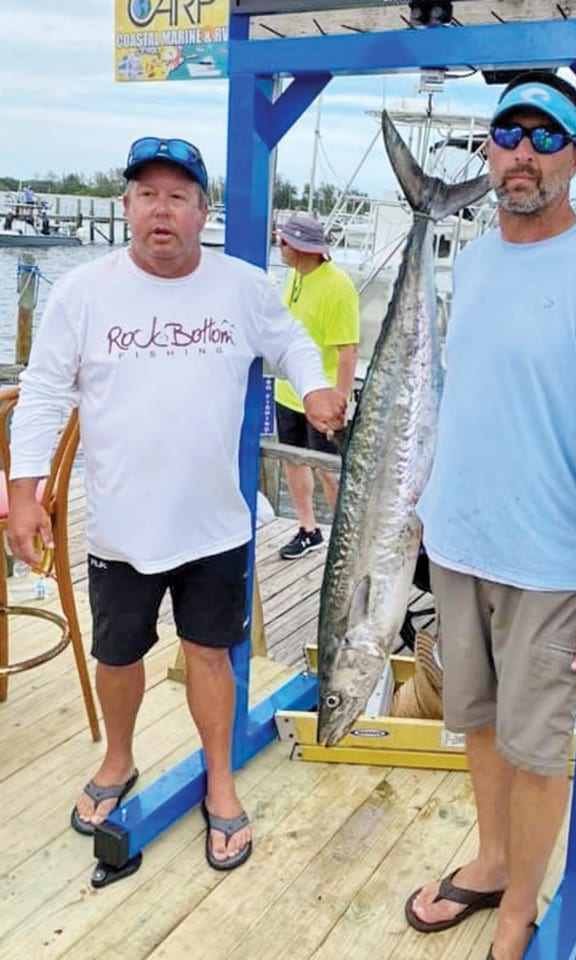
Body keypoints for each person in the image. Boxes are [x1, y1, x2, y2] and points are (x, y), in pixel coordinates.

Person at [6, 136, 345, 873]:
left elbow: (290, 344)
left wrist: (317, 387)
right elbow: (40, 396)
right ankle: (118, 759)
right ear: (126, 206)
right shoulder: (84, 293)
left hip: (216, 523)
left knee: (210, 656)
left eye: (179, 196)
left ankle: (220, 780)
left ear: (203, 211)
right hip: (123, 527)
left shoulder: (243, 286)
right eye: (148, 195)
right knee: (118, 654)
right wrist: (23, 493)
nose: (162, 210)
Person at [404, 71, 576, 960]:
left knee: (540, 750)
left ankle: (521, 907)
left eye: (547, 138)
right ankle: (492, 859)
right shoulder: (470, 263)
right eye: (509, 135)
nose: (524, 153)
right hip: (460, 549)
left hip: (554, 570)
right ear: (488, 152)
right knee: (475, 720)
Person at [273, 214, 359, 560]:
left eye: (283, 242)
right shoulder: (292, 276)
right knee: (294, 461)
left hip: (322, 400)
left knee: (330, 471)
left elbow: (348, 351)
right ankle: (308, 529)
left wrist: (339, 402)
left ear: (299, 247)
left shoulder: (338, 287)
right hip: (287, 393)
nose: (279, 248)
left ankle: (347, 537)